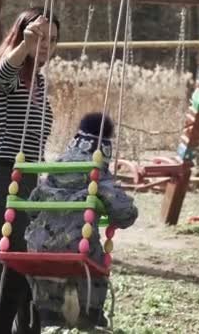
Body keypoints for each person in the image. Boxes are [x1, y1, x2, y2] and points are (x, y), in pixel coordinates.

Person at [0, 7, 60, 334]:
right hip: (2, 179)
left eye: (51, 40)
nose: (44, 46)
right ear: (22, 35)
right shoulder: (6, 71)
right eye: (39, 37)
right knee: (13, 272)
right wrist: (25, 44)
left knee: (29, 277)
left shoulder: (37, 82)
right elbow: (3, 73)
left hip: (27, 183)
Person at [24, 112, 139, 330]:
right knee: (94, 261)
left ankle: (48, 311)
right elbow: (125, 214)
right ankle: (90, 313)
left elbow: (31, 207)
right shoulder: (96, 172)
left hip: (38, 245)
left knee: (49, 253)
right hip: (77, 245)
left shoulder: (54, 170)